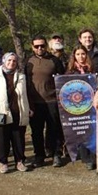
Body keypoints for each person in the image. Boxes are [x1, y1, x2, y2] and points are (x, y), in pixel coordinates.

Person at [0, 53, 31, 174]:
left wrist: (30, 108)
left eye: (14, 61)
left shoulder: (22, 77)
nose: (11, 63)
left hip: (18, 112)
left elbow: (28, 94)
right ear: (4, 61)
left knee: (19, 139)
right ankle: (3, 163)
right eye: (9, 60)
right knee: (1, 139)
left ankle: (20, 161)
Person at [25, 35, 66, 168]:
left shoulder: (54, 60)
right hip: (35, 102)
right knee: (36, 131)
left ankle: (56, 154)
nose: (40, 48)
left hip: (52, 101)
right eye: (36, 46)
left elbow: (62, 79)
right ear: (32, 47)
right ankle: (39, 156)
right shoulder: (28, 62)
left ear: (46, 46)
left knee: (53, 129)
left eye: (42, 45)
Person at [65, 45, 96, 170]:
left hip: (92, 104)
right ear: (74, 56)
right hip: (77, 106)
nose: (81, 56)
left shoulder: (92, 69)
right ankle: (86, 158)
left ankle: (95, 157)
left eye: (83, 54)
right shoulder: (70, 72)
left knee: (93, 131)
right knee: (82, 132)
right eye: (78, 54)